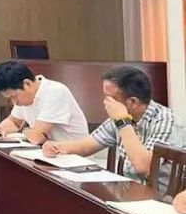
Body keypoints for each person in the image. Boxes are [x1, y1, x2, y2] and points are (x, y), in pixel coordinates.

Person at [43, 65, 185, 190]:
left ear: (133, 102)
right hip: (128, 190)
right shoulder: (121, 117)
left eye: (110, 98)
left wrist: (123, 122)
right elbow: (87, 145)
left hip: (162, 199)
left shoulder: (165, 121)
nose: (105, 102)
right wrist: (57, 147)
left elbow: (144, 166)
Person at [0, 60, 88, 144]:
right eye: (9, 98)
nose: (14, 103)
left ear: (27, 84)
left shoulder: (54, 92)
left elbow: (37, 138)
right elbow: (14, 122)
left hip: (73, 157)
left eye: (14, 97)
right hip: (49, 152)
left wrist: (25, 130)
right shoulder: (25, 96)